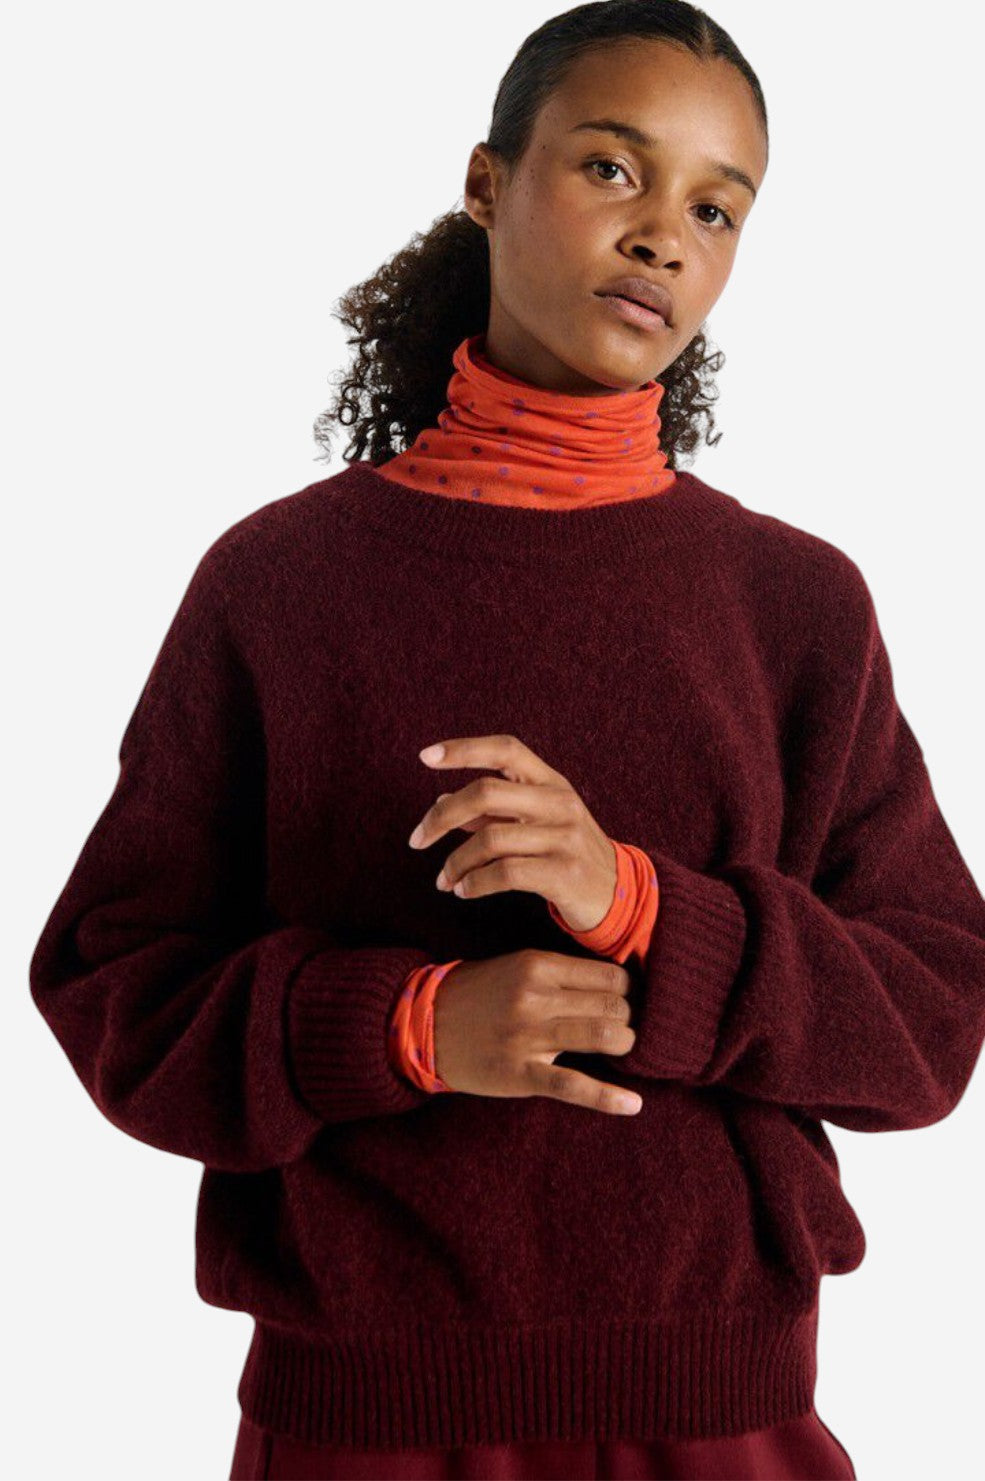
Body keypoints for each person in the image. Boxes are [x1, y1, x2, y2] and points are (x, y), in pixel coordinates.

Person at [29, 3, 985, 1478]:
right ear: (486, 181)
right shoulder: (279, 584)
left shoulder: (796, 604)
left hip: (721, 1415)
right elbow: (116, 984)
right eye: (612, 168)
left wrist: (648, 911)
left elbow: (930, 1020)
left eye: (716, 208)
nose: (663, 235)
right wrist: (408, 1026)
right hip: (363, 1421)